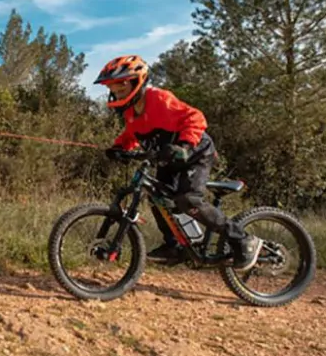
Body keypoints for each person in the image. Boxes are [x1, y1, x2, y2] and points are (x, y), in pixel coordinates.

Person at [94, 54, 262, 270]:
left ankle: (243, 239)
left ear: (136, 82)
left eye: (120, 88)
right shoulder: (131, 112)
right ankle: (174, 246)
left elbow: (195, 118)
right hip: (170, 159)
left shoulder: (159, 99)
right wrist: (119, 148)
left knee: (188, 200)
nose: (116, 94)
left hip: (196, 152)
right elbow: (132, 134)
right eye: (114, 90)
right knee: (157, 196)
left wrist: (185, 146)